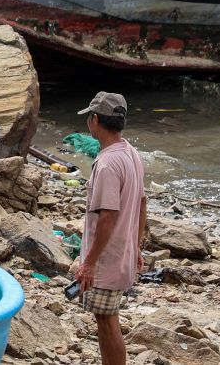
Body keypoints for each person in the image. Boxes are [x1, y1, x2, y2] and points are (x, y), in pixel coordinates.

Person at [74, 92, 146, 365]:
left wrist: (89, 262)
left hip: (108, 257)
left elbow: (107, 217)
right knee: (107, 316)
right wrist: (136, 245)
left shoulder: (106, 164)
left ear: (94, 120)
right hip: (122, 252)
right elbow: (142, 203)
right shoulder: (131, 153)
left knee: (106, 319)